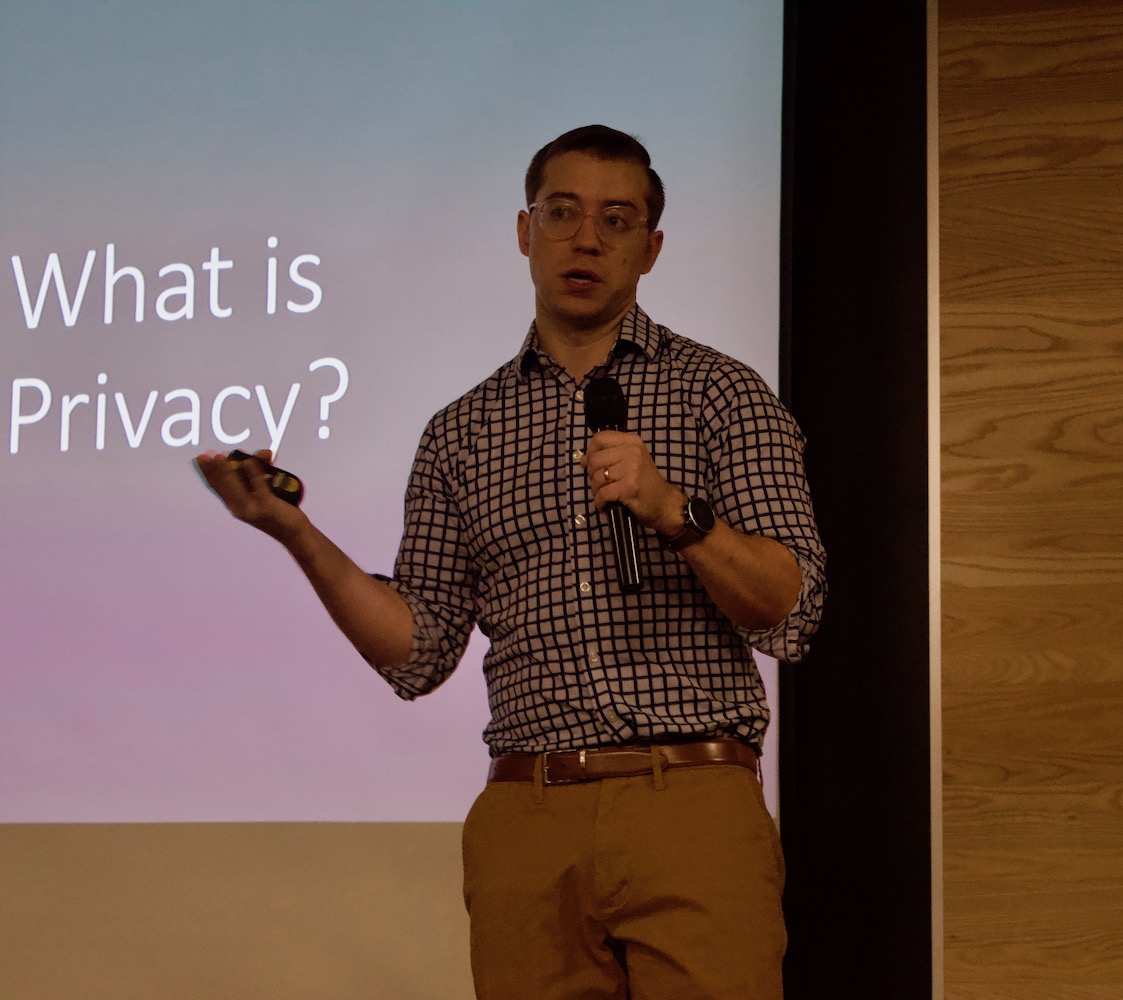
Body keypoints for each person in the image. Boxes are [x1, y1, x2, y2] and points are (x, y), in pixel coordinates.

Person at [195, 124, 825, 1000]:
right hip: (527, 814)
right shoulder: (463, 431)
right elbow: (419, 649)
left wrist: (673, 510)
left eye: (617, 218)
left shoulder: (722, 393)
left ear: (651, 248)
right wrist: (293, 533)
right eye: (562, 212)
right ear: (525, 231)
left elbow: (791, 606)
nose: (587, 238)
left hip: (691, 800)